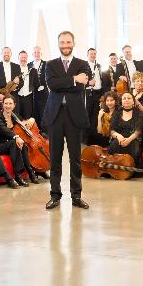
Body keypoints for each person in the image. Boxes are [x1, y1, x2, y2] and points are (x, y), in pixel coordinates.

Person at [43, 31, 92, 210]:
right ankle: (55, 195)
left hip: (74, 115)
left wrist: (64, 83)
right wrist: (73, 79)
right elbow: (52, 84)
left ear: (73, 43)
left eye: (68, 42)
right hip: (55, 115)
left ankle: (76, 196)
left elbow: (80, 86)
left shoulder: (83, 64)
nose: (65, 45)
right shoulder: (50, 64)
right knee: (55, 158)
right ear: (58, 44)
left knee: (75, 159)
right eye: (62, 42)